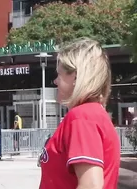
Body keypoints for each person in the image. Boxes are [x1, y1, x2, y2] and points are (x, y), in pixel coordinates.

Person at [38, 37, 120, 189]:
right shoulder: (92, 114)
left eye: (59, 74)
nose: (55, 81)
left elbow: (91, 185)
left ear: (76, 76)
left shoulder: (82, 116)